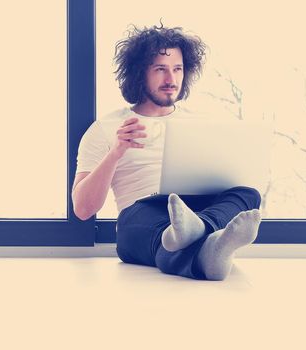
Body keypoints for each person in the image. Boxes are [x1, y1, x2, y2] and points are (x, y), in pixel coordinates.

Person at [71, 23, 262, 281]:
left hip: (195, 210)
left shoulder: (201, 124)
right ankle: (208, 246)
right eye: (161, 69)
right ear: (140, 73)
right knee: (150, 227)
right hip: (141, 216)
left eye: (177, 69)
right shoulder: (106, 128)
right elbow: (83, 209)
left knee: (248, 194)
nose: (171, 80)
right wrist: (116, 152)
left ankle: (202, 234)